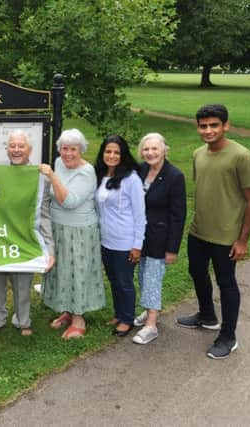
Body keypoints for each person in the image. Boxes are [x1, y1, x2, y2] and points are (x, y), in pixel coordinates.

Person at [176, 104, 250, 359]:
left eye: (214, 125)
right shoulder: (199, 154)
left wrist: (242, 240)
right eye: (203, 126)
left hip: (226, 235)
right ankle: (207, 315)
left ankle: (228, 336)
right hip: (199, 231)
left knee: (226, 283)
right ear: (198, 127)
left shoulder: (241, 156)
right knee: (196, 272)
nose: (208, 130)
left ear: (226, 126)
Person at [0, 130, 55, 337]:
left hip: (25, 240)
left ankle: (23, 320)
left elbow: (44, 216)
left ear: (29, 150)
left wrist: (50, 249)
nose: (16, 150)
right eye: (12, 146)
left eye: (20, 146)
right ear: (6, 149)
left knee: (23, 282)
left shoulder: (40, 177)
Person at [39, 129, 106, 339]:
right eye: (64, 149)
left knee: (78, 272)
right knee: (62, 272)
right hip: (58, 228)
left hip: (80, 231)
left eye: (73, 149)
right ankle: (66, 311)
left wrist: (51, 176)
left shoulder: (86, 172)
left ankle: (79, 319)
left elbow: (69, 202)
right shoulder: (58, 163)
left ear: (81, 150)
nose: (68, 154)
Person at [132, 134, 186, 345]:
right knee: (143, 276)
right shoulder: (141, 169)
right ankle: (149, 309)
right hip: (140, 236)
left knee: (152, 279)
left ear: (164, 150)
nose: (150, 153)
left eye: (154, 149)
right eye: (146, 149)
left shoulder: (174, 176)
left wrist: (172, 249)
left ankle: (151, 325)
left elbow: (178, 215)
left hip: (160, 238)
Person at [94, 135, 146, 337]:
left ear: (123, 154)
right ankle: (119, 313)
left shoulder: (131, 178)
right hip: (106, 240)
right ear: (103, 153)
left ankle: (127, 319)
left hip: (125, 241)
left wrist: (137, 245)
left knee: (124, 282)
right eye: (108, 151)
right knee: (114, 279)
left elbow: (140, 215)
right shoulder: (101, 175)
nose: (112, 155)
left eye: (116, 152)